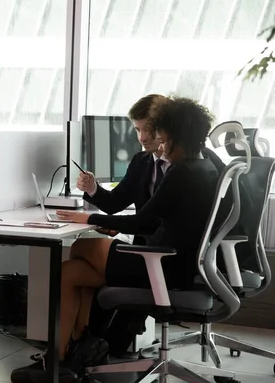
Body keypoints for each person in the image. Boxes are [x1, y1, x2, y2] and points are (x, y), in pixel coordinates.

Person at [12, 97, 219, 381]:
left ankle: (74, 352)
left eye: (160, 134)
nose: (154, 140)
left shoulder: (183, 172)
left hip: (164, 265)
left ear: (173, 135)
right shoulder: (204, 167)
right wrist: (97, 201)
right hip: (176, 262)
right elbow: (140, 213)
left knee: (83, 245)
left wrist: (90, 219)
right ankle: (64, 358)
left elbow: (143, 221)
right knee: (70, 273)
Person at [73, 94, 226, 357]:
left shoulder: (192, 167)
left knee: (81, 250)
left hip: (166, 257)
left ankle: (84, 346)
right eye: (137, 129)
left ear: (169, 131)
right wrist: (94, 191)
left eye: (151, 131)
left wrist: (91, 219)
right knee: (73, 272)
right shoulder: (145, 162)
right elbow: (118, 204)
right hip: (163, 251)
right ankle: (76, 348)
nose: (143, 137)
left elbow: (150, 220)